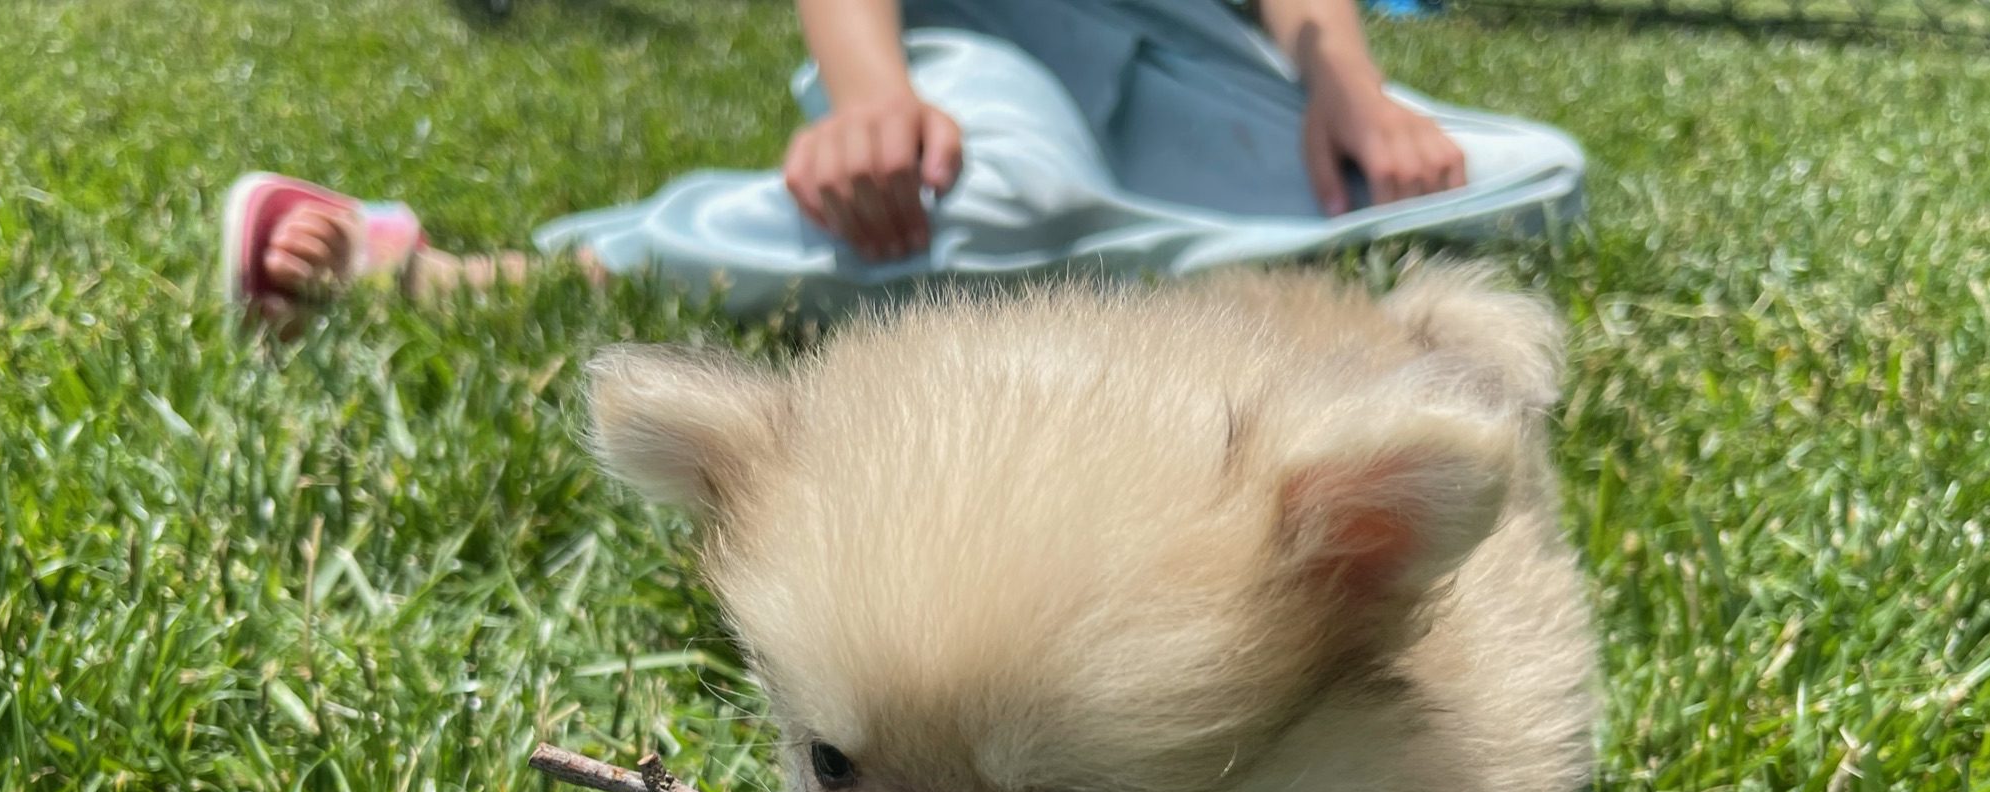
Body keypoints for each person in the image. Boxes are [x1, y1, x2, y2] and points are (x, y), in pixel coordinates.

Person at [224, 0, 1584, 326]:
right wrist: (870, 94)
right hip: (974, 38)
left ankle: (1129, 250)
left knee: (1531, 177)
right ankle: (461, 269)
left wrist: (1349, 94)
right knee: (983, 204)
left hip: (1174, 49)